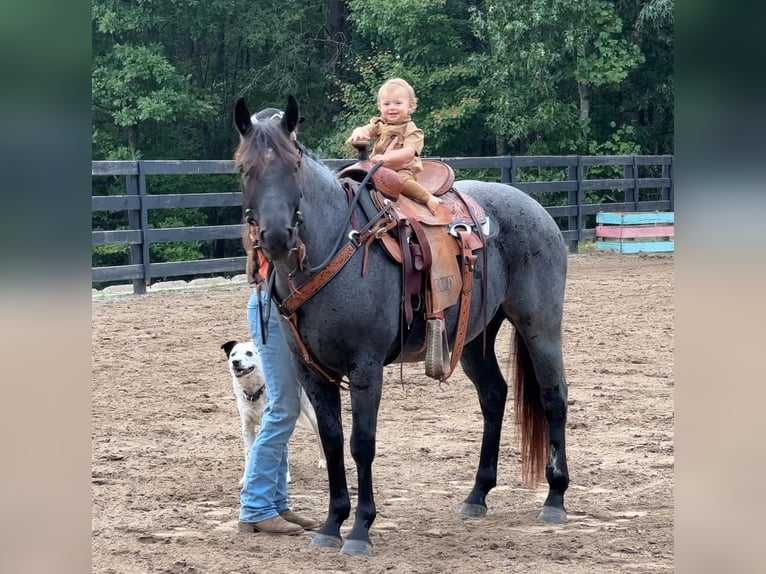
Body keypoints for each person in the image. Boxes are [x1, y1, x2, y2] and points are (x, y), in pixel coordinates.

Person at [237, 107, 319, 536]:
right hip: (271, 306)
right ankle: (254, 508)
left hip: (278, 306)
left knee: (280, 408)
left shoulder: (277, 194)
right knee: (283, 408)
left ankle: (276, 503)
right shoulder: (267, 205)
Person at [346, 78, 443, 215]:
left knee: (401, 181)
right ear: (379, 106)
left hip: (402, 168)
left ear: (410, 105)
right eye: (386, 104)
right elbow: (367, 129)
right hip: (376, 167)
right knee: (353, 178)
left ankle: (427, 198)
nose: (392, 108)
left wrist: (384, 159)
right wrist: (359, 132)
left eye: (398, 103)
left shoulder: (411, 129)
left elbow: (409, 152)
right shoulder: (379, 124)